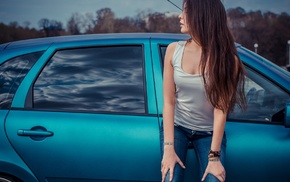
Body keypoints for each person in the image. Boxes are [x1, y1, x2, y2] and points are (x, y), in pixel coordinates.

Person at [160, 0, 247, 182]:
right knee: (171, 177)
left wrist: (214, 157)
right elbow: (169, 102)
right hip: (178, 128)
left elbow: (220, 110)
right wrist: (169, 148)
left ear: (202, 17)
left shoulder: (228, 60)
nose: (179, 16)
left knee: (214, 179)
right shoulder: (173, 50)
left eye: (185, 12)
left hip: (208, 133)